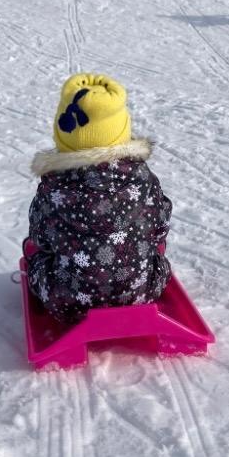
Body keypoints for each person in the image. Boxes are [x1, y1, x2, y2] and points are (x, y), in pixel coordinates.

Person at [25, 73, 172, 325]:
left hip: (68, 302)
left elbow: (41, 237)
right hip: (140, 293)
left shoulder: (53, 188)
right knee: (157, 254)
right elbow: (160, 224)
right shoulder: (144, 179)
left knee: (37, 258)